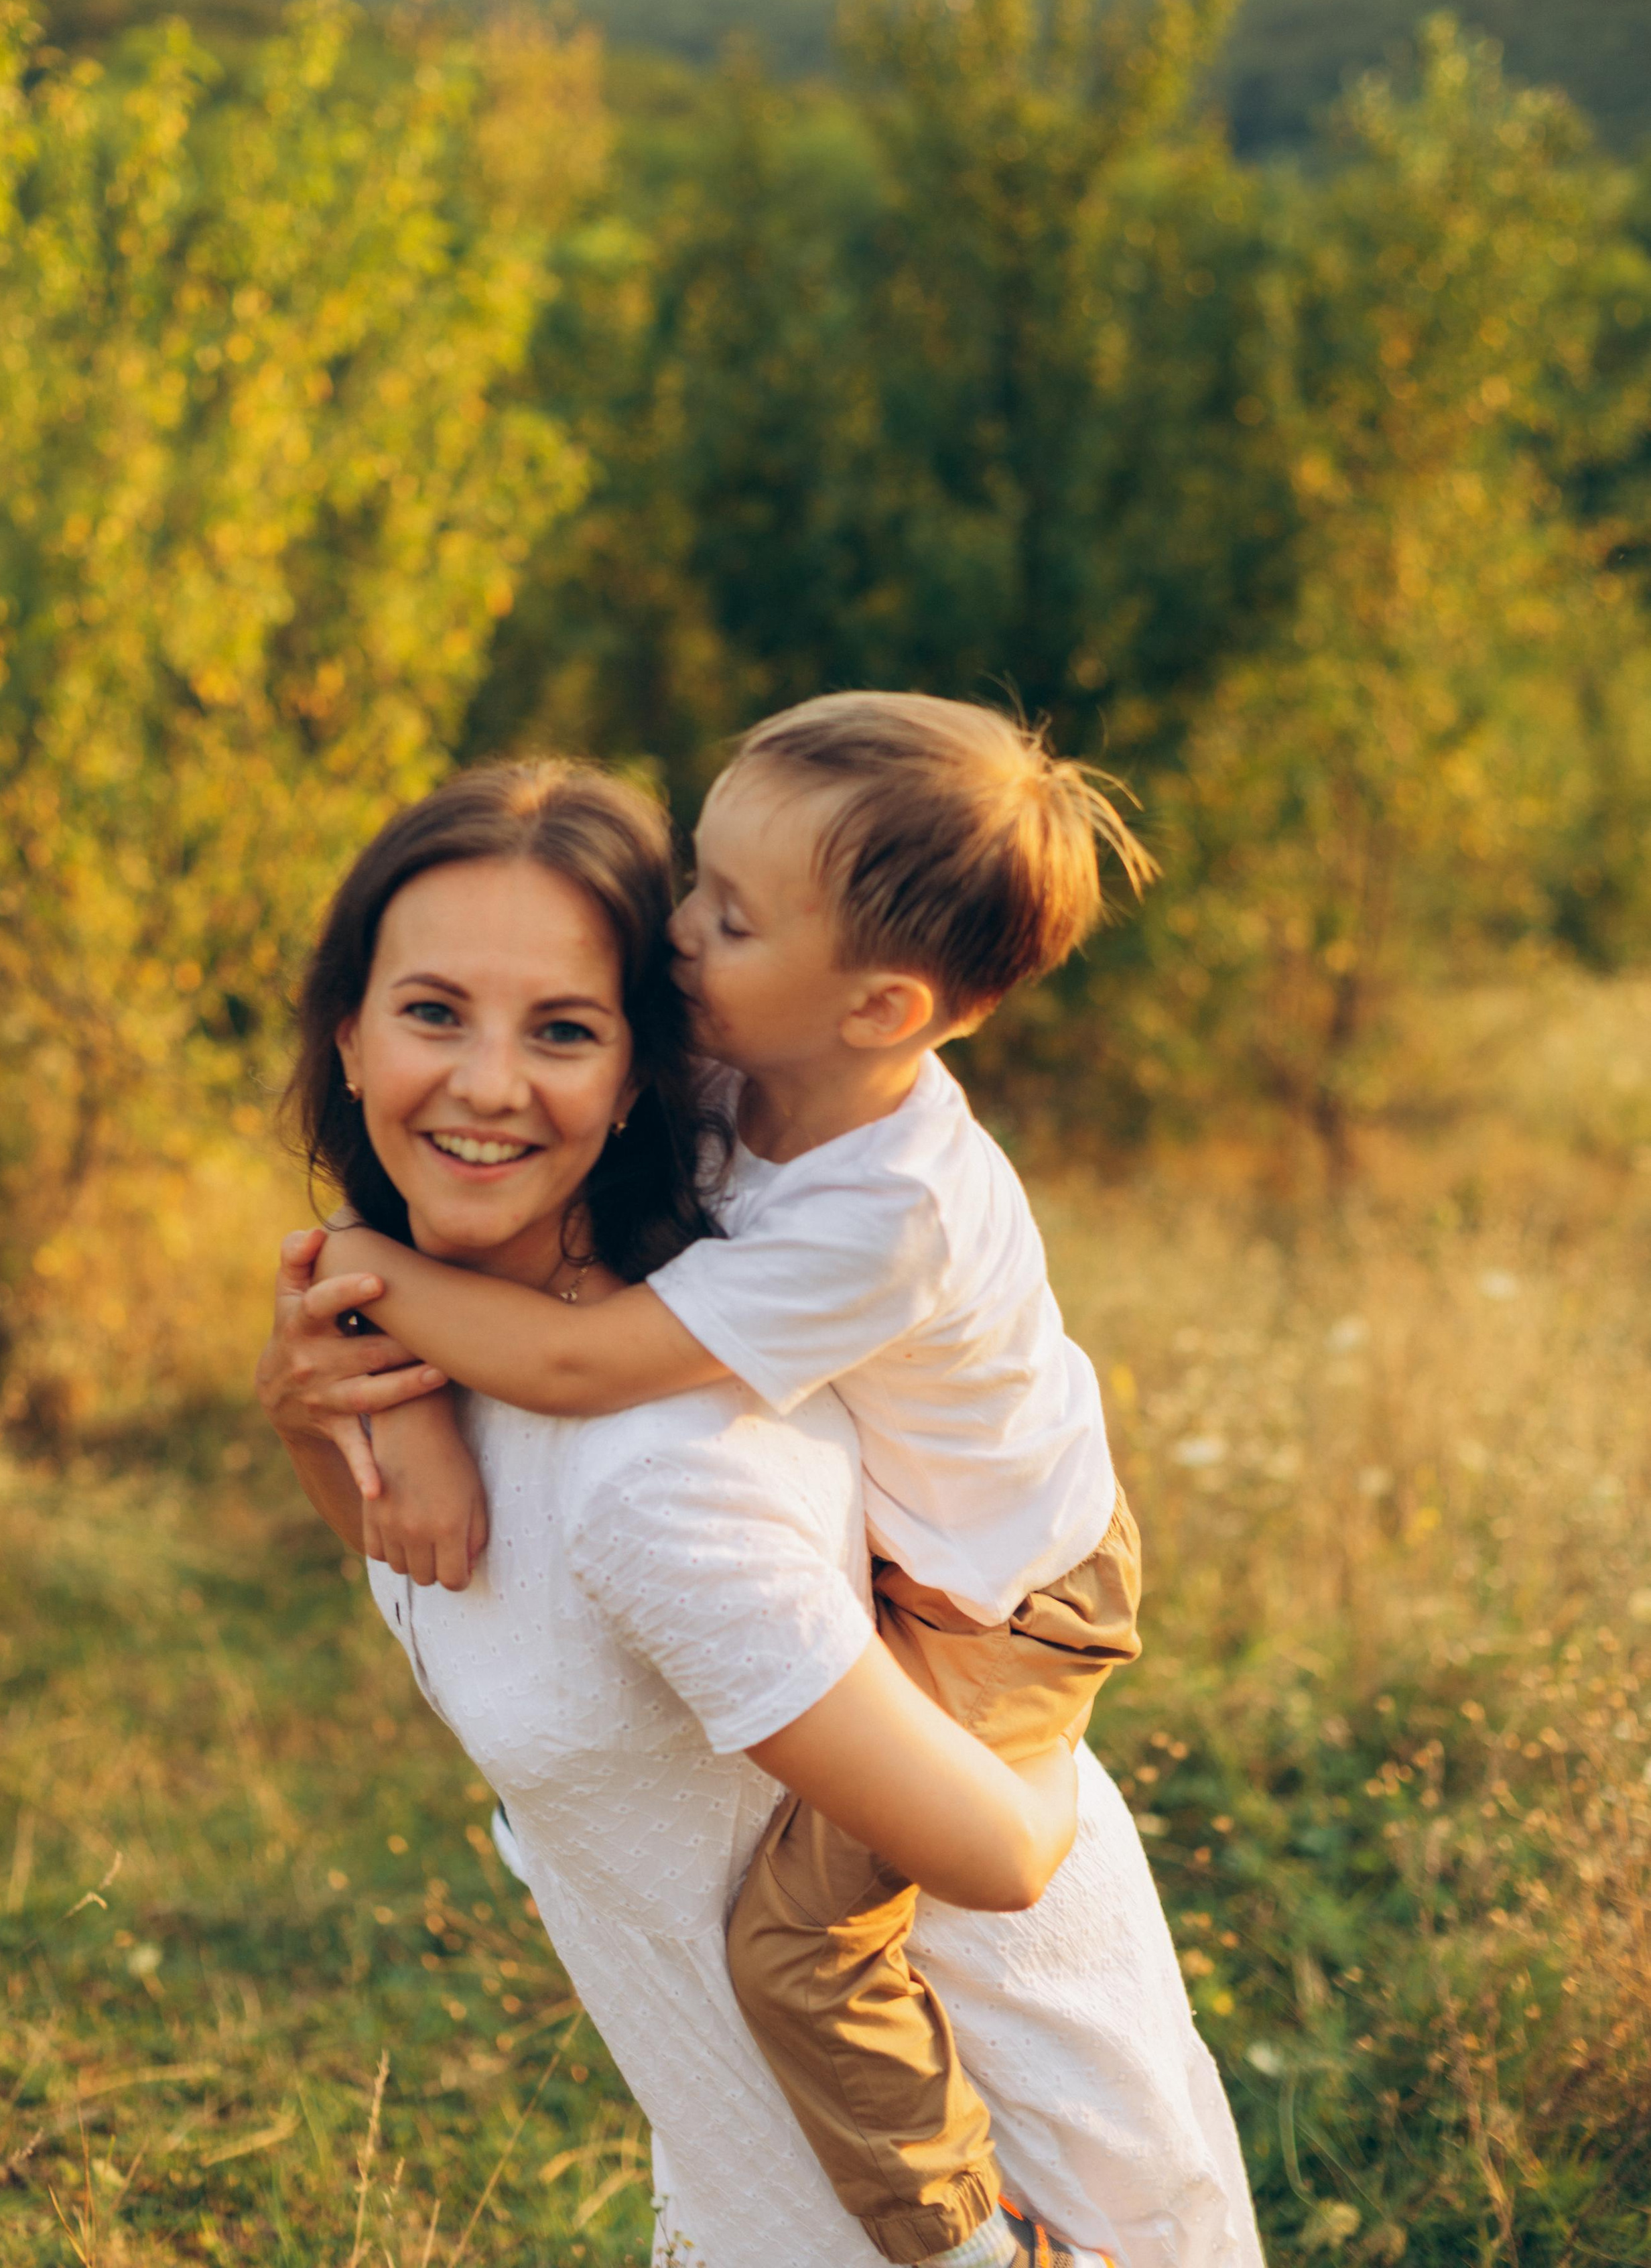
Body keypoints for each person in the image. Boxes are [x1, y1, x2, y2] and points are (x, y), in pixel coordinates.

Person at [259, 755, 1262, 2268]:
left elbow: (996, 1851)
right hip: (751, 2164)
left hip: (985, 2187)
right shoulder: (464, 1327)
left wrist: (1050, 1733)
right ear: (347, 1030)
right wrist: (336, 1401)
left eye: (562, 1030)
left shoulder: (666, 1472)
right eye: (431, 1010)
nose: (482, 1082)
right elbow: (465, 1582)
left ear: (643, 1072)